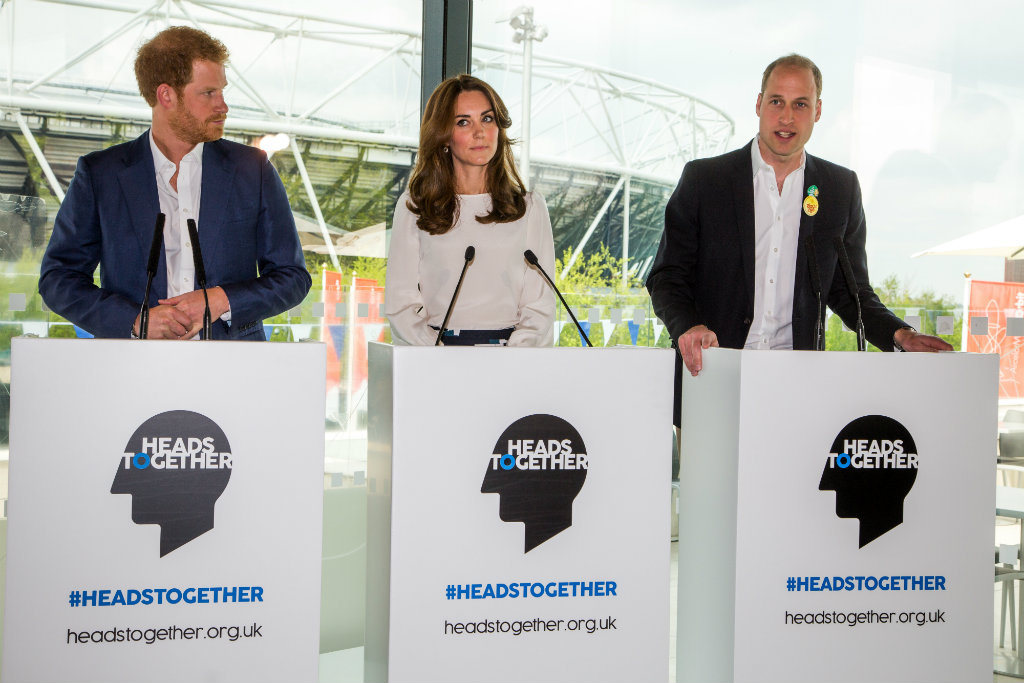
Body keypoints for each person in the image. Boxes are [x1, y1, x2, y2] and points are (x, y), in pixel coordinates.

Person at [646, 54, 952, 416]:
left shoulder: (840, 188)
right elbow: (667, 277)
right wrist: (689, 326)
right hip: (711, 374)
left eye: (800, 104)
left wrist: (900, 336)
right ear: (759, 104)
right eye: (776, 101)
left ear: (817, 111)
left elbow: (851, 292)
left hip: (798, 387)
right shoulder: (705, 180)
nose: (787, 117)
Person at [39, 26, 310, 340]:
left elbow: (293, 278)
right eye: (209, 93)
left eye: (222, 91)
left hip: (234, 369)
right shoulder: (101, 173)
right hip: (132, 369)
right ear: (166, 95)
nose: (223, 105)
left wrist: (222, 300)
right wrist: (136, 321)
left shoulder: (253, 170)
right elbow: (58, 279)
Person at [384, 74, 555, 346]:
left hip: (513, 362)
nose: (480, 132)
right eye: (463, 122)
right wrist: (436, 356)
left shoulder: (530, 208)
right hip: (436, 359)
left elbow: (540, 305)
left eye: (487, 119)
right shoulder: (414, 207)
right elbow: (400, 303)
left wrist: (516, 359)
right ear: (443, 136)